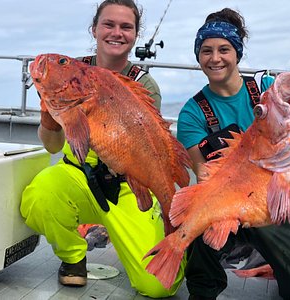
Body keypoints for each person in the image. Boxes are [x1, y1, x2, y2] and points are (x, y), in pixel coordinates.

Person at [177, 8, 290, 300]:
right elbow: (203, 172)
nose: (215, 58)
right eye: (206, 50)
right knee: (199, 224)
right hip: (227, 204)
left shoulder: (268, 90)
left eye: (224, 49)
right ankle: (203, 290)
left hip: (275, 204)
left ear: (237, 53)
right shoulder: (192, 112)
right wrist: (232, 207)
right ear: (198, 56)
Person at [20, 0, 185, 298]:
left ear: (135, 34)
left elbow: (151, 146)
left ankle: (173, 238)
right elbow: (54, 145)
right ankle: (73, 259)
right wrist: (50, 115)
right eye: (109, 24)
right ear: (94, 29)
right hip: (78, 176)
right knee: (40, 196)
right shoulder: (78, 73)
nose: (117, 33)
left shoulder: (144, 84)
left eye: (126, 27)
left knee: (159, 286)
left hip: (125, 187)